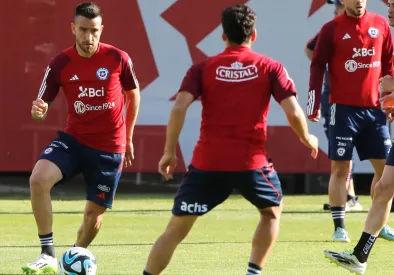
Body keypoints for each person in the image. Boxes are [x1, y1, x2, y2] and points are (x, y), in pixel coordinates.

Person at [141, 5, 318, 275]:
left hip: (207, 165)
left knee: (175, 229)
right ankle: (253, 272)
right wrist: (307, 138)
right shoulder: (270, 67)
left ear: (223, 35)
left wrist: (169, 152)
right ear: (254, 35)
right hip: (251, 164)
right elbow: (293, 111)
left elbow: (178, 108)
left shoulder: (203, 68)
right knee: (272, 211)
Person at [21, 2, 141, 274]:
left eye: (94, 31)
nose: (89, 38)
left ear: (102, 29)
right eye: (83, 30)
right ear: (73, 28)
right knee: (38, 179)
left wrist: (129, 137)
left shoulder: (118, 58)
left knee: (93, 218)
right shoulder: (59, 64)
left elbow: (133, 95)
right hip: (73, 141)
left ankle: (73, 258)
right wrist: (39, 111)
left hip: (110, 149)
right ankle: (48, 254)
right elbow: (42, 104)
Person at [307, 0, 394, 243]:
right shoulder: (331, 28)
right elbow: (316, 65)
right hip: (342, 111)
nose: (359, 2)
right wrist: (312, 102)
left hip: (374, 112)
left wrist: (390, 98)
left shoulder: (381, 24)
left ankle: (380, 224)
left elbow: (389, 64)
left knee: (386, 171)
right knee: (341, 169)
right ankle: (339, 226)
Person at [305, 0, 363, 213]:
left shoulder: (370, 26)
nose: (335, 9)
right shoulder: (332, 28)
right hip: (334, 100)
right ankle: (348, 197)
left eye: (337, 5)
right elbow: (310, 50)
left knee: (347, 153)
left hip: (361, 102)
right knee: (341, 152)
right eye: (335, 5)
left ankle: (350, 197)